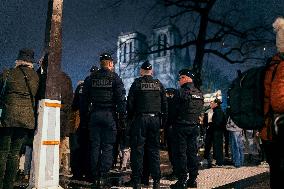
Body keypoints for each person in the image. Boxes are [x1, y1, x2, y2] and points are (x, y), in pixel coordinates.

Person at [82, 53, 126, 188]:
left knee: (95, 146)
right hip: (109, 116)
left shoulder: (91, 78)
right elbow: (121, 100)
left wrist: (85, 118)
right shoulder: (115, 78)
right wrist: (122, 118)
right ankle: (103, 175)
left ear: (101, 63)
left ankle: (95, 176)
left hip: (94, 115)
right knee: (107, 147)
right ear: (110, 64)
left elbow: (84, 101)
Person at [0, 48, 39, 189]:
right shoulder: (35, 77)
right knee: (15, 153)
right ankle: (8, 185)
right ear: (31, 63)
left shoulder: (8, 73)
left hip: (8, 117)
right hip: (25, 120)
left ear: (18, 60)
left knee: (3, 151)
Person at [127, 61, 167, 189]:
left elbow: (130, 104)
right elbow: (165, 105)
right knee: (154, 151)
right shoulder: (159, 84)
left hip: (141, 120)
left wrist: (132, 118)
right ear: (152, 71)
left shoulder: (137, 83)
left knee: (138, 151)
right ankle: (156, 181)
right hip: (155, 120)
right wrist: (162, 123)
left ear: (141, 71)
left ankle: (137, 181)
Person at [170, 69, 204, 189]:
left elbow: (173, 111)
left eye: (180, 78)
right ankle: (193, 180)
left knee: (181, 154)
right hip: (194, 127)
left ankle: (182, 180)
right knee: (192, 153)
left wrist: (170, 124)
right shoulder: (199, 93)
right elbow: (200, 111)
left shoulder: (180, 92)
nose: (179, 81)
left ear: (186, 78)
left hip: (181, 127)